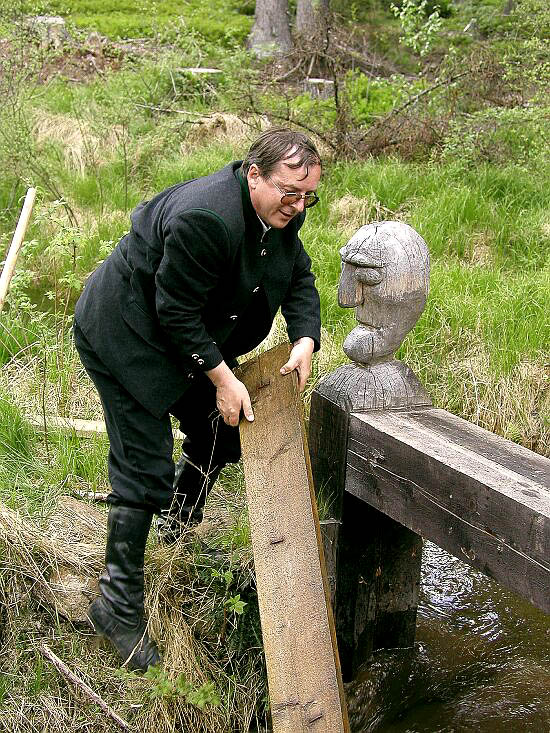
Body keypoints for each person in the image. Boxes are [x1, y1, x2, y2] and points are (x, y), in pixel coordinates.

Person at [73, 127, 322, 671]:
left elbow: (296, 274)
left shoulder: (281, 212)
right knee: (143, 470)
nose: (299, 206)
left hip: (184, 341)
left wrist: (305, 335)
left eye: (308, 196)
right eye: (290, 193)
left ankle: (179, 523)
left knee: (226, 431)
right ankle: (117, 606)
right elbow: (175, 311)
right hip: (128, 336)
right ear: (253, 174)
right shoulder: (204, 218)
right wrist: (224, 379)